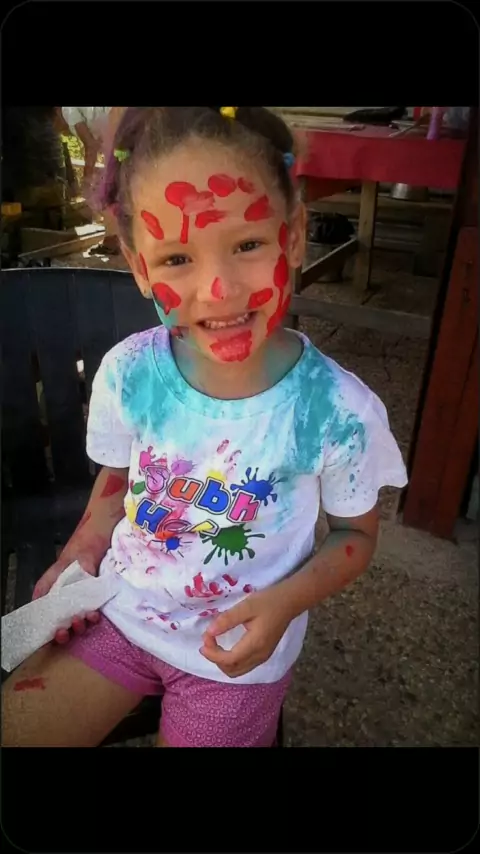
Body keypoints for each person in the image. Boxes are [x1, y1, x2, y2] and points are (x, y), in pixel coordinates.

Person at [2, 106, 408, 748]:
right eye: (176, 257)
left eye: (247, 245)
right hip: (119, 613)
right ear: (139, 267)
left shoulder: (336, 411)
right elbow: (118, 478)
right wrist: (80, 550)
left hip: (233, 658)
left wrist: (285, 604)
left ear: (295, 236)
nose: (218, 290)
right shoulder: (130, 373)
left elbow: (354, 535)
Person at [61, 107, 126, 253]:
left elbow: (91, 146)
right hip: (123, 126)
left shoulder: (68, 110)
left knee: (111, 184)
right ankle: (116, 237)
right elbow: (96, 144)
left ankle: (113, 239)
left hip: (120, 123)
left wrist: (86, 182)